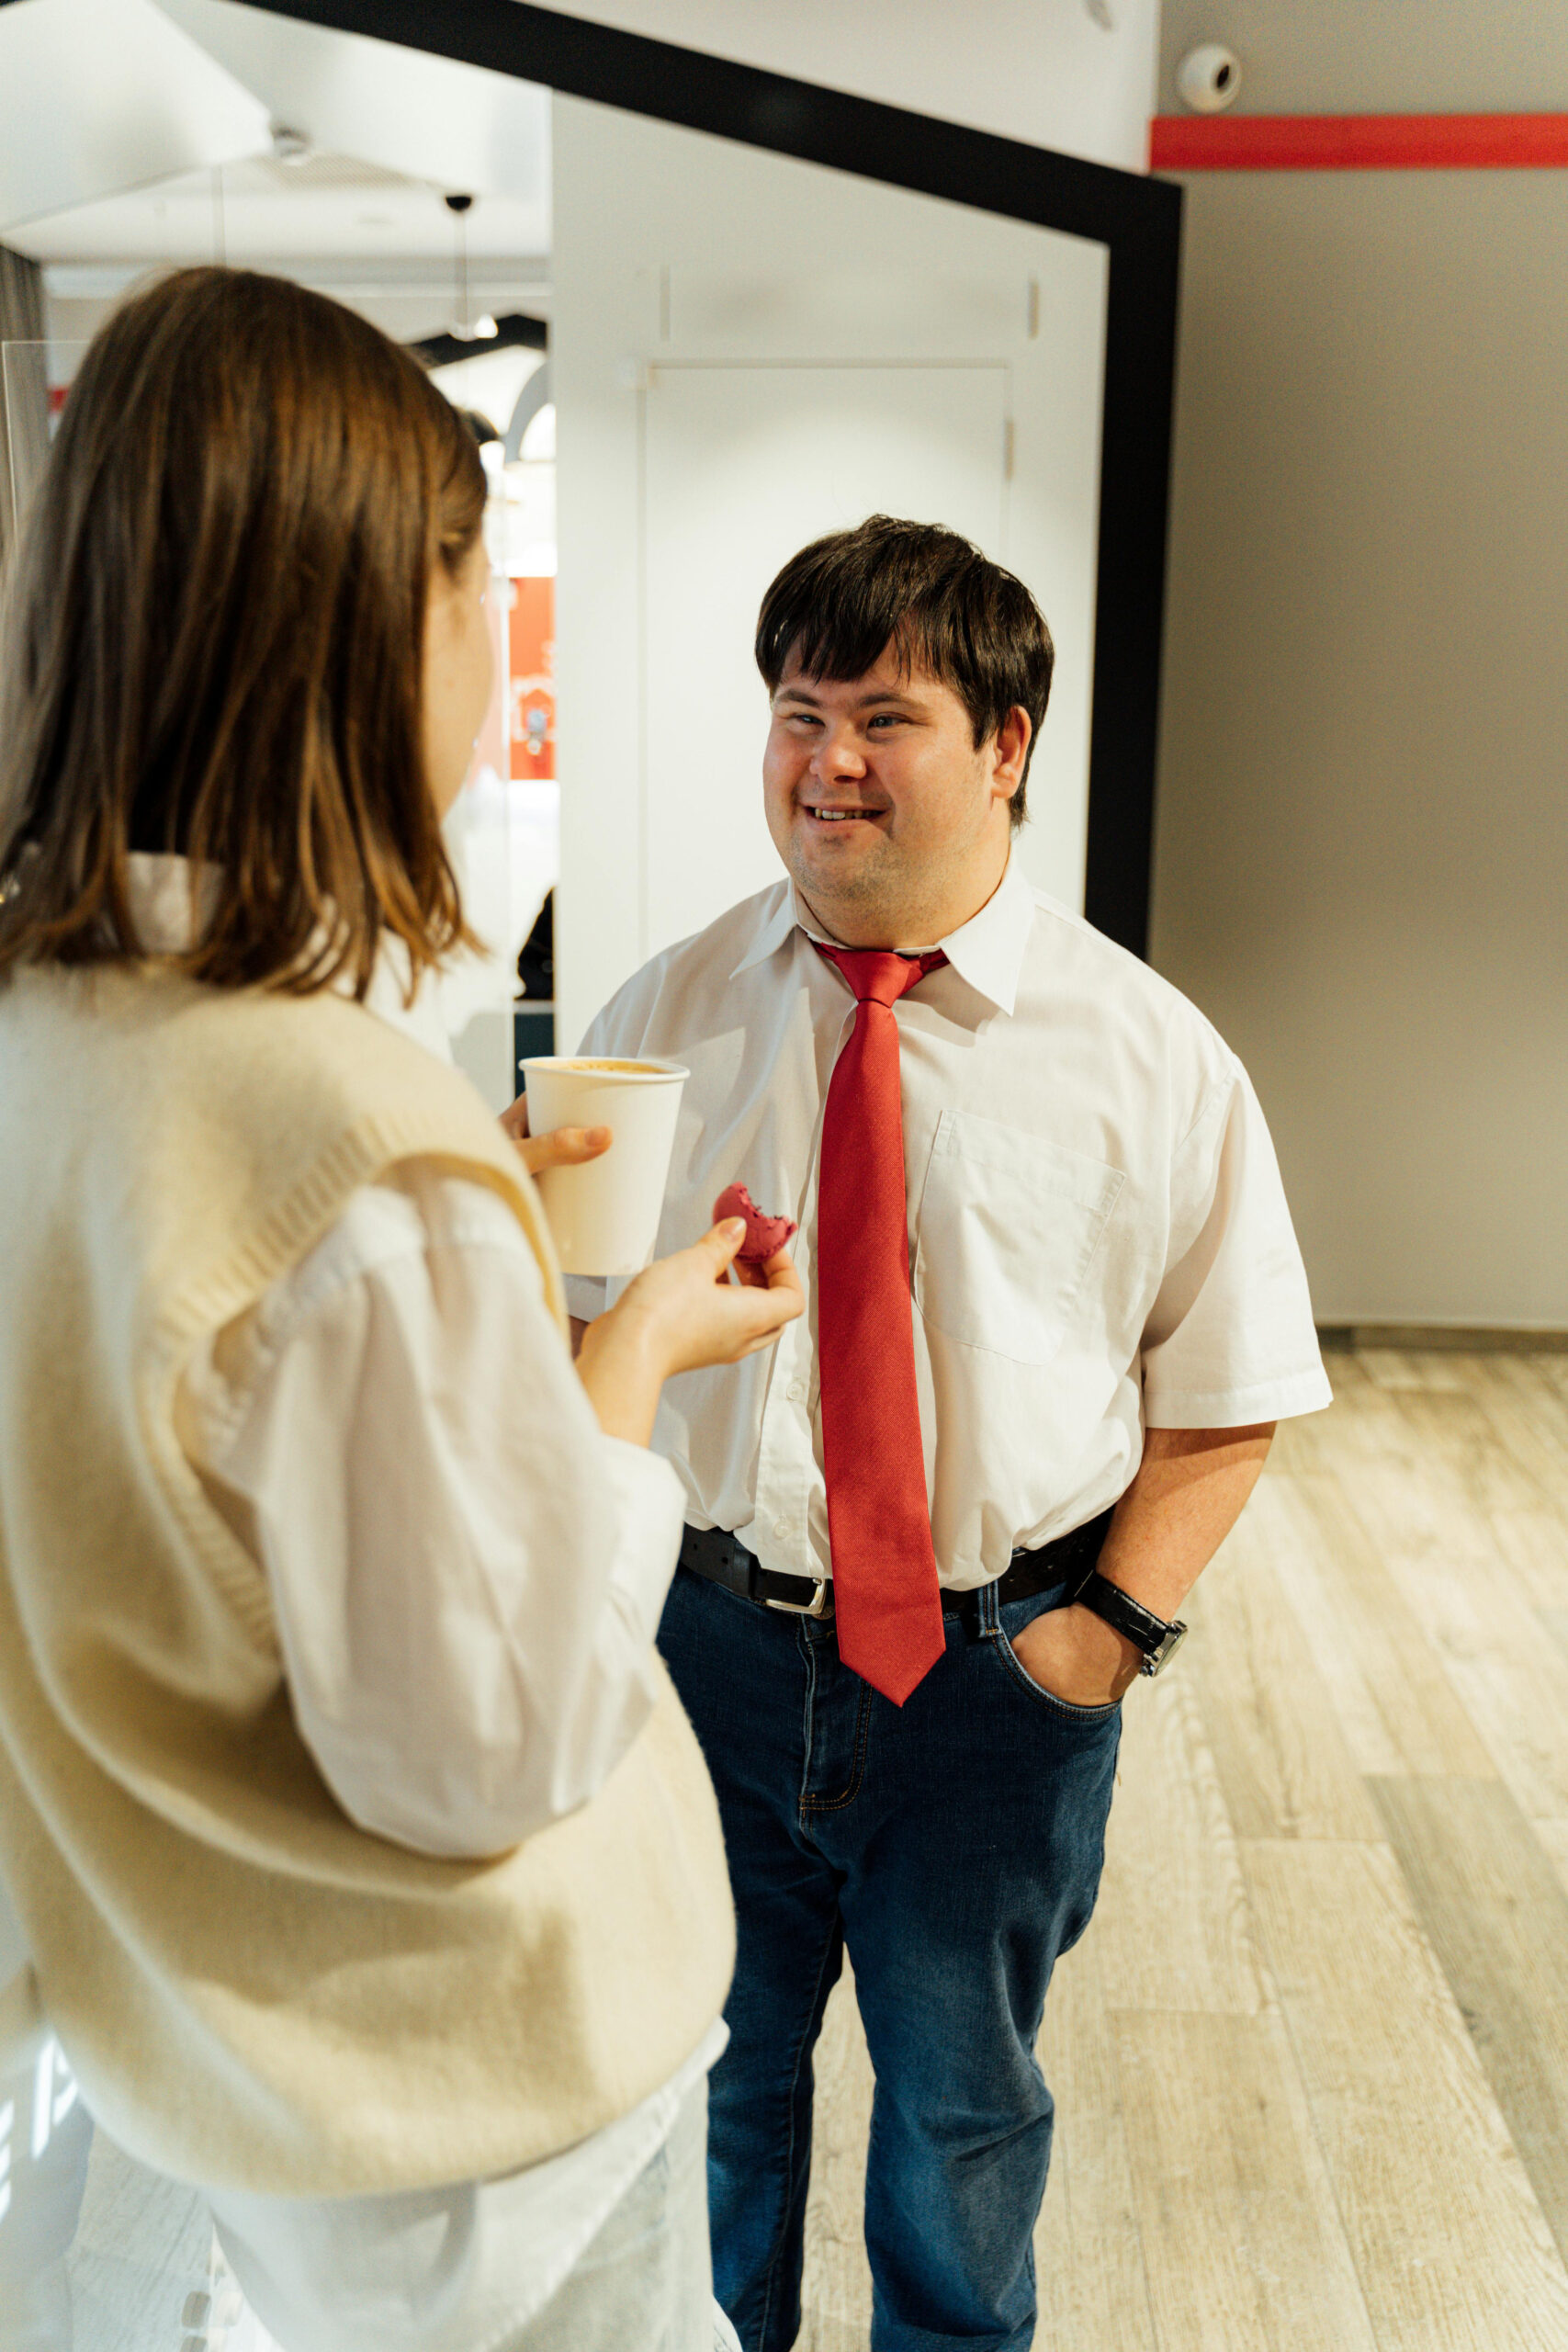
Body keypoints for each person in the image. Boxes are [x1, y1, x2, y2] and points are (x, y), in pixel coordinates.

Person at [0, 266, 801, 2352]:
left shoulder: (49, 1036)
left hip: (172, 2027)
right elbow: (484, 1746)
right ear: (389, 617)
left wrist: (467, 1271)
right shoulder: (342, 1133)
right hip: (452, 2131)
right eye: (480, 581)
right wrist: (609, 1364)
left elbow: (171, 1476)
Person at [563, 515, 1335, 2352]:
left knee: (957, 2124)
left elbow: (1225, 1394)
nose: (826, 760)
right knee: (705, 2107)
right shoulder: (656, 1017)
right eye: (794, 709)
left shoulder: (1147, 1054)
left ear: (1003, 742)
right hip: (702, 1660)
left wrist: (1097, 1642)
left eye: (882, 715)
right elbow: (570, 1332)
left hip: (989, 1689)